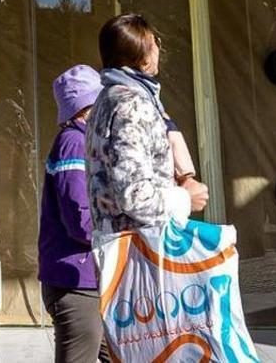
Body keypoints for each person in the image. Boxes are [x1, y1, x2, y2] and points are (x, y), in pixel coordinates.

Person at [85, 14, 210, 240]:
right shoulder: (131, 106)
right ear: (144, 60)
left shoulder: (105, 100)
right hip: (143, 251)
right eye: (155, 43)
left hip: (119, 247)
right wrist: (185, 198)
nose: (158, 50)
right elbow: (134, 195)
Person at [39, 65, 111, 363]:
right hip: (76, 283)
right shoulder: (74, 143)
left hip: (92, 280)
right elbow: (80, 220)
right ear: (88, 106)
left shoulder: (85, 142)